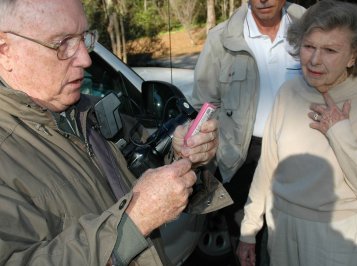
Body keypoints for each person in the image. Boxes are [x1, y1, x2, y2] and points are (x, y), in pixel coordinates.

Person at [0, 0, 222, 265]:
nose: (84, 58)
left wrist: (185, 156)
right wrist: (134, 221)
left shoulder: (92, 112)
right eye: (62, 43)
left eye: (83, 39)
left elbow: (148, 177)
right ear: (5, 52)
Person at [237, 0, 357, 265]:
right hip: (281, 230)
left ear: (353, 55)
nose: (314, 60)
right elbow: (267, 167)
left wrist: (340, 132)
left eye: (330, 50)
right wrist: (249, 230)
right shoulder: (288, 93)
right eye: (309, 46)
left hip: (341, 238)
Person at [191, 0, 305, 263]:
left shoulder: (311, 28)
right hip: (242, 159)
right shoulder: (222, 38)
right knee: (246, 247)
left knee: (293, 244)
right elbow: (205, 104)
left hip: (298, 155)